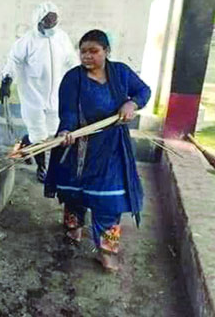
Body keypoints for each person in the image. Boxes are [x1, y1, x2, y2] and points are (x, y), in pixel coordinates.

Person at [44, 29, 151, 272]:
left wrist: (131, 103)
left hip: (112, 146)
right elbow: (68, 111)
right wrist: (66, 131)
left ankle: (106, 249)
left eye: (94, 51)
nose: (87, 56)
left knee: (109, 200)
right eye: (83, 51)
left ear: (107, 52)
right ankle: (74, 228)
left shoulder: (121, 73)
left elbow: (143, 91)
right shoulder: (73, 78)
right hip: (80, 145)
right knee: (74, 193)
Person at [0, 1, 78, 182]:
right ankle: (42, 168)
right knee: (40, 135)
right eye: (48, 22)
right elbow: (13, 60)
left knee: (50, 131)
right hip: (33, 95)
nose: (51, 26)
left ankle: (25, 144)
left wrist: (80, 77)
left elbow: (72, 59)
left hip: (55, 95)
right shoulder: (27, 41)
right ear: (39, 21)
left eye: (54, 22)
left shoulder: (61, 38)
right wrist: (6, 81)